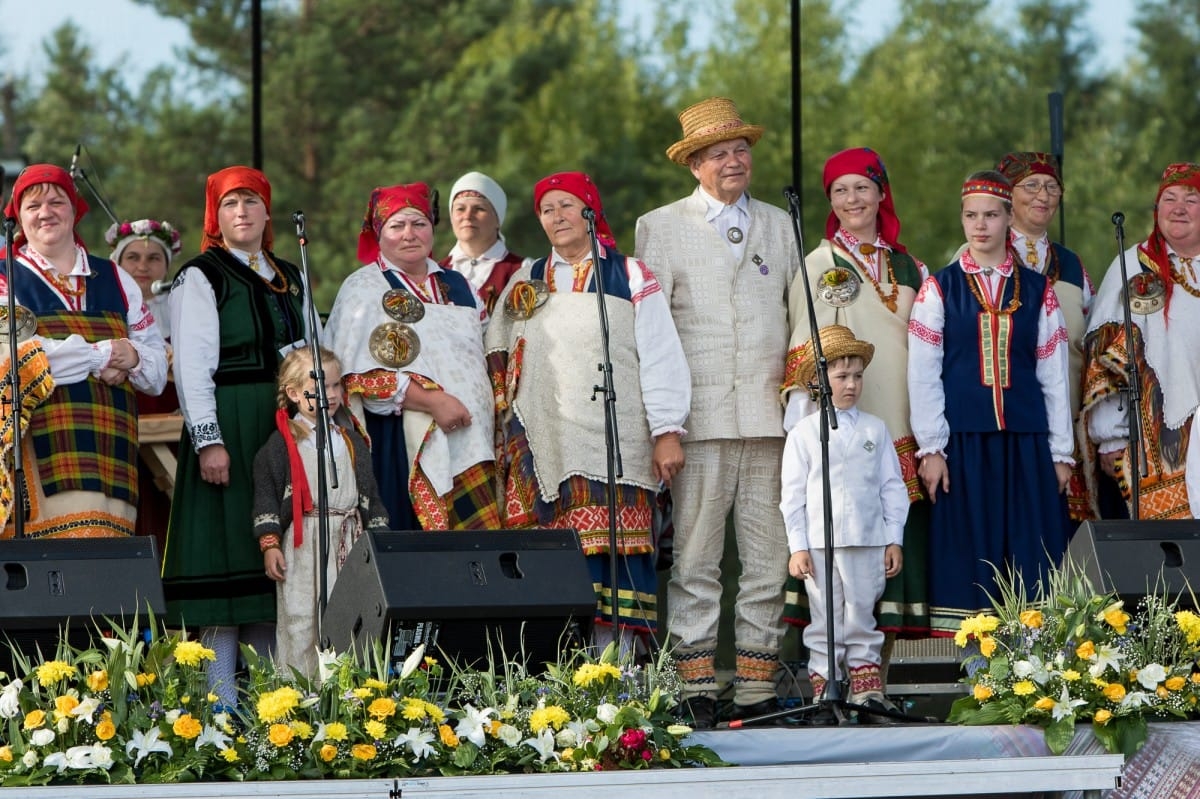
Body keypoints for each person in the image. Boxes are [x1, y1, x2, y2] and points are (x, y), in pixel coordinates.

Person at [634, 97, 800, 726]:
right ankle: (695, 685)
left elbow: (795, 322)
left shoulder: (781, 225)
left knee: (768, 556)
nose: (734, 162)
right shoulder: (660, 226)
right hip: (696, 421)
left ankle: (757, 687)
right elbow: (649, 334)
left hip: (768, 419)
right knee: (698, 557)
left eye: (741, 150)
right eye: (719, 154)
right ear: (694, 165)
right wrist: (664, 426)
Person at [486, 170, 690, 654]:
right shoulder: (527, 278)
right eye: (546, 209)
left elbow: (660, 355)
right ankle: (554, 685)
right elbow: (498, 349)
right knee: (551, 564)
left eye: (566, 205)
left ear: (590, 210)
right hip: (543, 443)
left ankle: (618, 682)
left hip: (616, 440)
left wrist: (667, 431)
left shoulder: (630, 275)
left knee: (614, 556)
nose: (557, 217)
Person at [162, 165, 307, 705]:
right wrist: (209, 440)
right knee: (228, 570)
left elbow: (314, 351)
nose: (241, 212)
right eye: (229, 204)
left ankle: (273, 711)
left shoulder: (291, 273)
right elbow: (193, 367)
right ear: (215, 216)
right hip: (232, 423)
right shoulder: (201, 275)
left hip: (285, 430)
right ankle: (220, 712)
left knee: (275, 577)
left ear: (268, 212)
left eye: (250, 202)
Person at [908, 171, 1073, 635]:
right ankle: (976, 671)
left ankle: (1037, 667)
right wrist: (932, 448)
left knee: (1031, 548)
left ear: (1007, 220)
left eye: (990, 215)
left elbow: (1054, 376)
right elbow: (922, 374)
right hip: (963, 440)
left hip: (1026, 440)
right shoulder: (939, 288)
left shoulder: (1039, 290)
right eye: (971, 215)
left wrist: (1061, 453)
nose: (980, 225)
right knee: (970, 549)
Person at [780, 147, 930, 647]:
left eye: (861, 187)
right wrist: (808, 429)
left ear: (881, 193)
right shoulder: (818, 265)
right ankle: (832, 675)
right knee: (839, 561)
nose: (851, 199)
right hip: (845, 431)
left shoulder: (911, 267)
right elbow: (804, 353)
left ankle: (878, 682)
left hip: (901, 423)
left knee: (889, 553)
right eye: (839, 190)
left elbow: (929, 350)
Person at [0, 164, 168, 538]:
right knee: (52, 577)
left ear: (75, 210)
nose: (46, 212)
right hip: (40, 458)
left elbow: (156, 373)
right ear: (17, 217)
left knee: (107, 580)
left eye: (57, 202)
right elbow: (19, 356)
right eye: (33, 205)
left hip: (113, 461)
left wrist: (134, 356)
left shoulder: (117, 278)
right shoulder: (4, 278)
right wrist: (103, 355)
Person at [325, 182, 499, 532]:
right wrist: (433, 401)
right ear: (379, 232)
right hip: (401, 444)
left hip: (472, 442)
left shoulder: (457, 284)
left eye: (418, 223)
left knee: (473, 560)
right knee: (413, 555)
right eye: (396, 225)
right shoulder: (363, 287)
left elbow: (479, 351)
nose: (409, 235)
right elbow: (353, 377)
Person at [781, 325, 907, 717]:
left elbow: (892, 487)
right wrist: (797, 546)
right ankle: (826, 689)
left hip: (867, 540)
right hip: (821, 543)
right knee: (825, 617)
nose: (851, 385)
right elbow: (793, 496)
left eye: (857, 376)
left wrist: (893, 538)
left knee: (861, 614)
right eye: (841, 377)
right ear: (820, 381)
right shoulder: (803, 434)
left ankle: (865, 690)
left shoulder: (875, 429)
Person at [252, 346, 389, 676]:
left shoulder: (351, 441)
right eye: (321, 387)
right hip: (303, 543)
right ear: (295, 393)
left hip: (348, 539)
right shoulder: (282, 445)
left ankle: (346, 699)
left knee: (349, 617)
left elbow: (370, 495)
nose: (331, 394)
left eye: (336, 386)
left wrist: (379, 539)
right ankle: (298, 700)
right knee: (301, 620)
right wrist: (270, 543)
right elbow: (267, 495)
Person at [1082, 162, 1200, 520]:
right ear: (1156, 209)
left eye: (1191, 199)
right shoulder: (1133, 267)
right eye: (1170, 198)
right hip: (1153, 442)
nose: (1179, 207)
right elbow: (1104, 356)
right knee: (1165, 553)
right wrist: (1111, 436)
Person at [995, 152, 1095, 521]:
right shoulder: (979, 254)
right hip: (1004, 420)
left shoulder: (1071, 264)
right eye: (1031, 185)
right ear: (1007, 196)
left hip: (1064, 419)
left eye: (1052, 187)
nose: (1044, 195)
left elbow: (1091, 335)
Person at [108, 218, 184, 547]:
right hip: (125, 421)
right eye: (133, 258)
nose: (143, 266)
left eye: (153, 258)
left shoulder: (182, 308)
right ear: (118, 263)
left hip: (174, 427)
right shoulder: (109, 304)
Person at [439, 171, 525, 315]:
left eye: (479, 208)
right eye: (460, 208)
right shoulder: (435, 273)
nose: (467, 216)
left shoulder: (523, 271)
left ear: (498, 219)